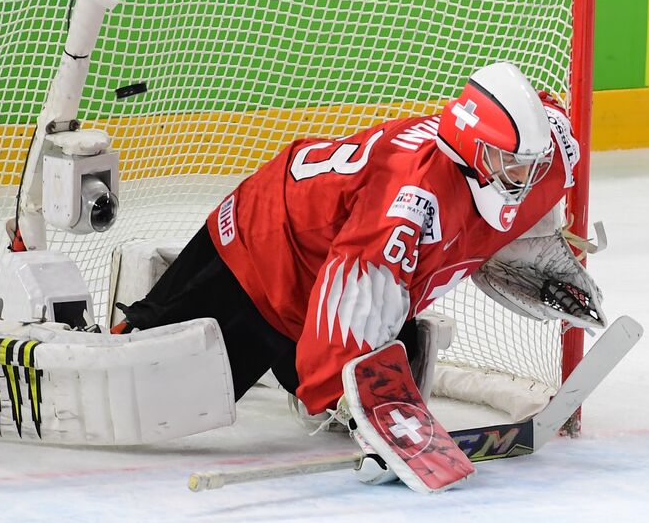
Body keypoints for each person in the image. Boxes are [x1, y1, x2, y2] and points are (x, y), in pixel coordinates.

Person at [115, 61, 601, 422]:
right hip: (265, 251)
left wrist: (533, 248)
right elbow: (356, 289)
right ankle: (61, 358)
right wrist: (345, 397)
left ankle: (305, 369)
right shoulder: (410, 203)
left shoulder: (542, 155)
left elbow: (540, 119)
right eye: (512, 164)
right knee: (160, 396)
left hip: (328, 255)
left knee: (390, 355)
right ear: (473, 152)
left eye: (533, 164)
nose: (527, 176)